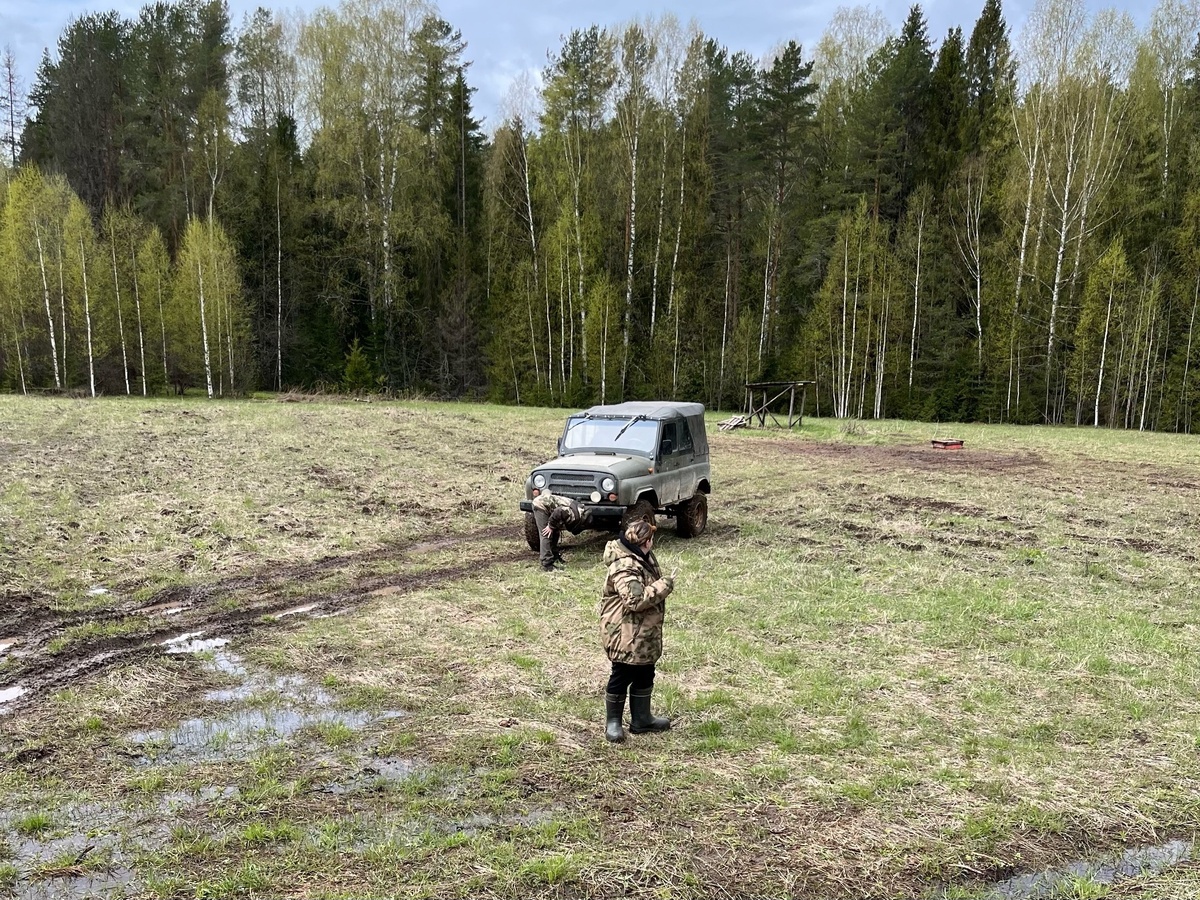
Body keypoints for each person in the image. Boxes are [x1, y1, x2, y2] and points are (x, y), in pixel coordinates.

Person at [599, 518, 675, 742]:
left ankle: (642, 719)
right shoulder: (625, 565)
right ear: (646, 541)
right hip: (624, 632)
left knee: (645, 671)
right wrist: (665, 585)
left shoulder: (642, 556)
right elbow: (634, 600)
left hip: (642, 632)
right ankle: (613, 723)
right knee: (621, 674)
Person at [531, 491, 590, 571]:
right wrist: (550, 526)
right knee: (546, 534)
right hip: (541, 505)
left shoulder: (579, 509)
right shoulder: (573, 513)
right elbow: (558, 511)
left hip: (549, 506)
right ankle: (547, 563)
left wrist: (553, 527)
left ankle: (555, 556)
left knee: (555, 532)